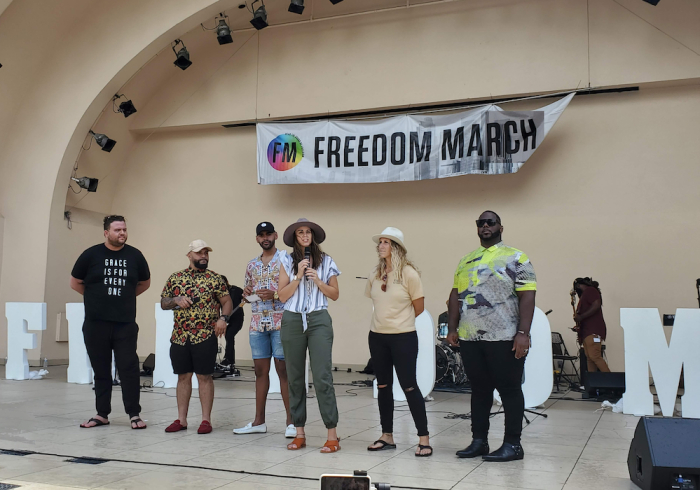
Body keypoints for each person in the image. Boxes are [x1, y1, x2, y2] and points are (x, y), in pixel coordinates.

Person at [447, 211, 536, 462]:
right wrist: (453, 328)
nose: (485, 226)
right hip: (470, 337)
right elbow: (455, 295)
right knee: (480, 390)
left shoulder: (517, 257)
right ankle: (479, 441)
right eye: (481, 223)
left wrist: (523, 333)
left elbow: (527, 295)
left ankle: (513, 444)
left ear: (500, 227)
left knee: (509, 390)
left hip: (505, 336)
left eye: (490, 222)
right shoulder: (466, 260)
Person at [70, 215, 150, 429]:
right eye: (117, 230)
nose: (122, 233)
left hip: (124, 323)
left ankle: (134, 414)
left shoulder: (135, 256)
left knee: (129, 368)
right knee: (101, 370)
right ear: (106, 233)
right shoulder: (91, 255)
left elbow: (144, 283)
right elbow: (75, 282)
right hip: (96, 323)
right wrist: (95, 298)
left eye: (124, 229)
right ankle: (101, 414)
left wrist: (123, 297)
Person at [365, 227, 432, 457]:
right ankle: (387, 436)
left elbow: (419, 307)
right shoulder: (375, 274)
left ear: (396, 248)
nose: (381, 245)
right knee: (383, 386)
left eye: (386, 242)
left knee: (409, 386)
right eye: (380, 242)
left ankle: (424, 439)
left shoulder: (409, 274)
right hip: (377, 337)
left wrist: (399, 321)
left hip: (403, 337)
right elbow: (376, 301)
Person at [277, 218, 341, 453]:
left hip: (318, 319)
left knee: (322, 375)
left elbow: (334, 294)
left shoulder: (327, 261)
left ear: (313, 236)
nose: (304, 236)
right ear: (295, 238)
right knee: (294, 377)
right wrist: (298, 276)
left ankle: (332, 435)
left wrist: (318, 280)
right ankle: (299, 431)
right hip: (292, 319)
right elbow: (282, 296)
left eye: (308, 232)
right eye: (300, 232)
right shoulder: (285, 259)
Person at [160, 239, 233, 435]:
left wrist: (223, 318)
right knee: (183, 376)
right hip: (180, 336)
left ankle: (205, 420)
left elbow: (227, 302)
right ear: (189, 255)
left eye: (206, 253)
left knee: (204, 377)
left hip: (205, 334)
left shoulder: (215, 278)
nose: (203, 256)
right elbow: (163, 302)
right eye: (199, 253)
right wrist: (175, 300)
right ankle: (181, 420)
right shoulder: (175, 278)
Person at [233, 222, 295, 438]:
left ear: (275, 235)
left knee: (283, 371)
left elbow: (294, 289)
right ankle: (259, 421)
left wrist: (276, 295)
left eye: (269, 234)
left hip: (281, 321)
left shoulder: (286, 260)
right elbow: (246, 294)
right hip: (258, 323)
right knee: (260, 372)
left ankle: (291, 422)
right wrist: (246, 292)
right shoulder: (251, 265)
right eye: (261, 235)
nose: (265, 237)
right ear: (257, 239)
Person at [573, 277, 610, 373]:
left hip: (593, 331)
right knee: (590, 358)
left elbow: (597, 304)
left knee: (595, 356)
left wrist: (581, 317)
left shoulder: (590, 291)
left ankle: (611, 381)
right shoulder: (586, 294)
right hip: (587, 332)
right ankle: (593, 383)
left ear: (578, 286)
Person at [218, 275, 244, 377]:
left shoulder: (236, 290)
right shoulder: (219, 294)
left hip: (237, 319)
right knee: (227, 336)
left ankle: (229, 360)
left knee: (229, 335)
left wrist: (243, 303)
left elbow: (246, 298)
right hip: (226, 319)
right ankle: (227, 359)